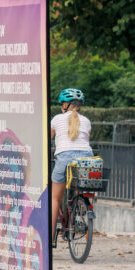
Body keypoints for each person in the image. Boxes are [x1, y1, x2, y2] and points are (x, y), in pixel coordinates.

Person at [50, 88, 93, 231]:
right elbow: (86, 138)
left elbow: (48, 138)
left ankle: (50, 239)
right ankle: (80, 202)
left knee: (55, 198)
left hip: (64, 157)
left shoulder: (56, 119)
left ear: (65, 105)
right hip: (86, 158)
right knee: (80, 181)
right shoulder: (86, 121)